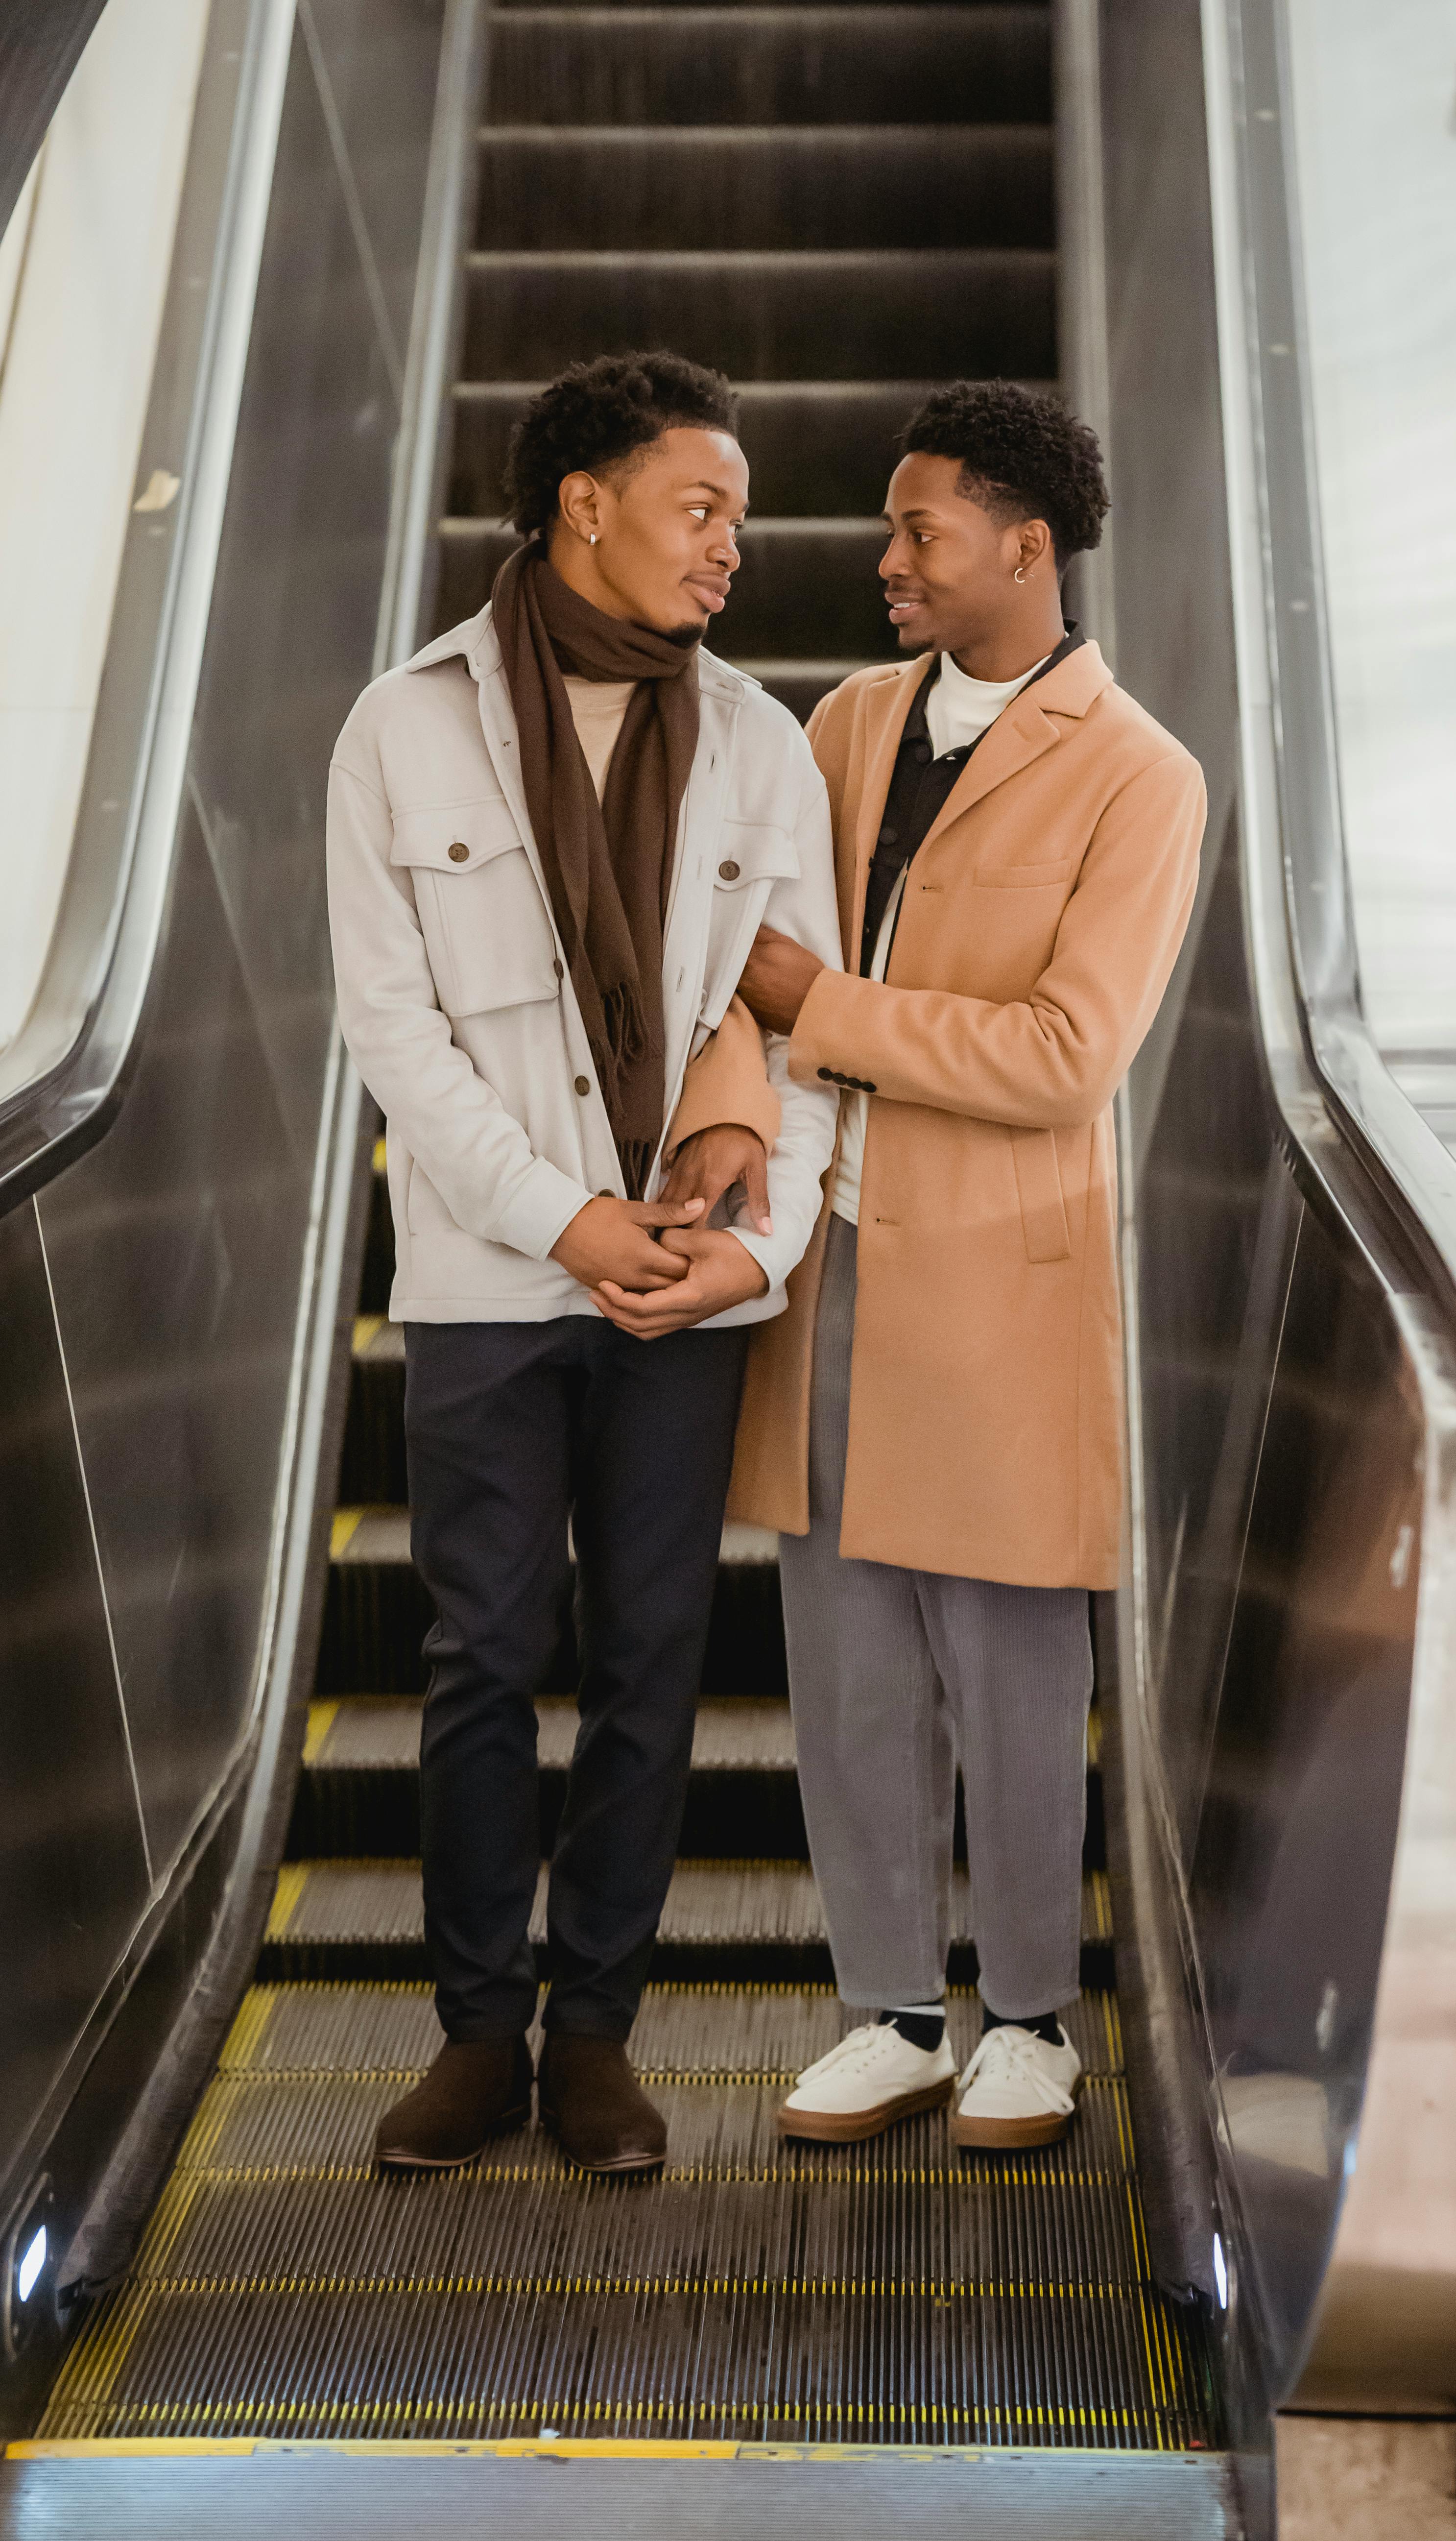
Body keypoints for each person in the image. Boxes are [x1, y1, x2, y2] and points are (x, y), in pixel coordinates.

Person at [325, 351, 839, 2175]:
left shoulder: (766, 749)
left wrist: (742, 1244)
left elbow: (796, 1050)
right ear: (583, 504)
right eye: (702, 507)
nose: (727, 550)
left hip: (680, 1286)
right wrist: (560, 1215)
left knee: (650, 1656)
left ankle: (596, 2034)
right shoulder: (403, 728)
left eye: (740, 520)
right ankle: (476, 2034)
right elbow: (394, 1033)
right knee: (477, 1658)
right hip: (487, 1279)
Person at [731, 381, 1207, 2151]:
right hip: (822, 1260)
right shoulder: (844, 723)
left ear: (1029, 546)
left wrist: (821, 1014)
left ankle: (1029, 2019)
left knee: (1010, 1659)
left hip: (999, 1285)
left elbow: (1065, 1055)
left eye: (918, 531)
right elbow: (739, 947)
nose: (885, 560)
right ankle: (889, 2009)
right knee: (844, 1655)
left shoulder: (1139, 775)